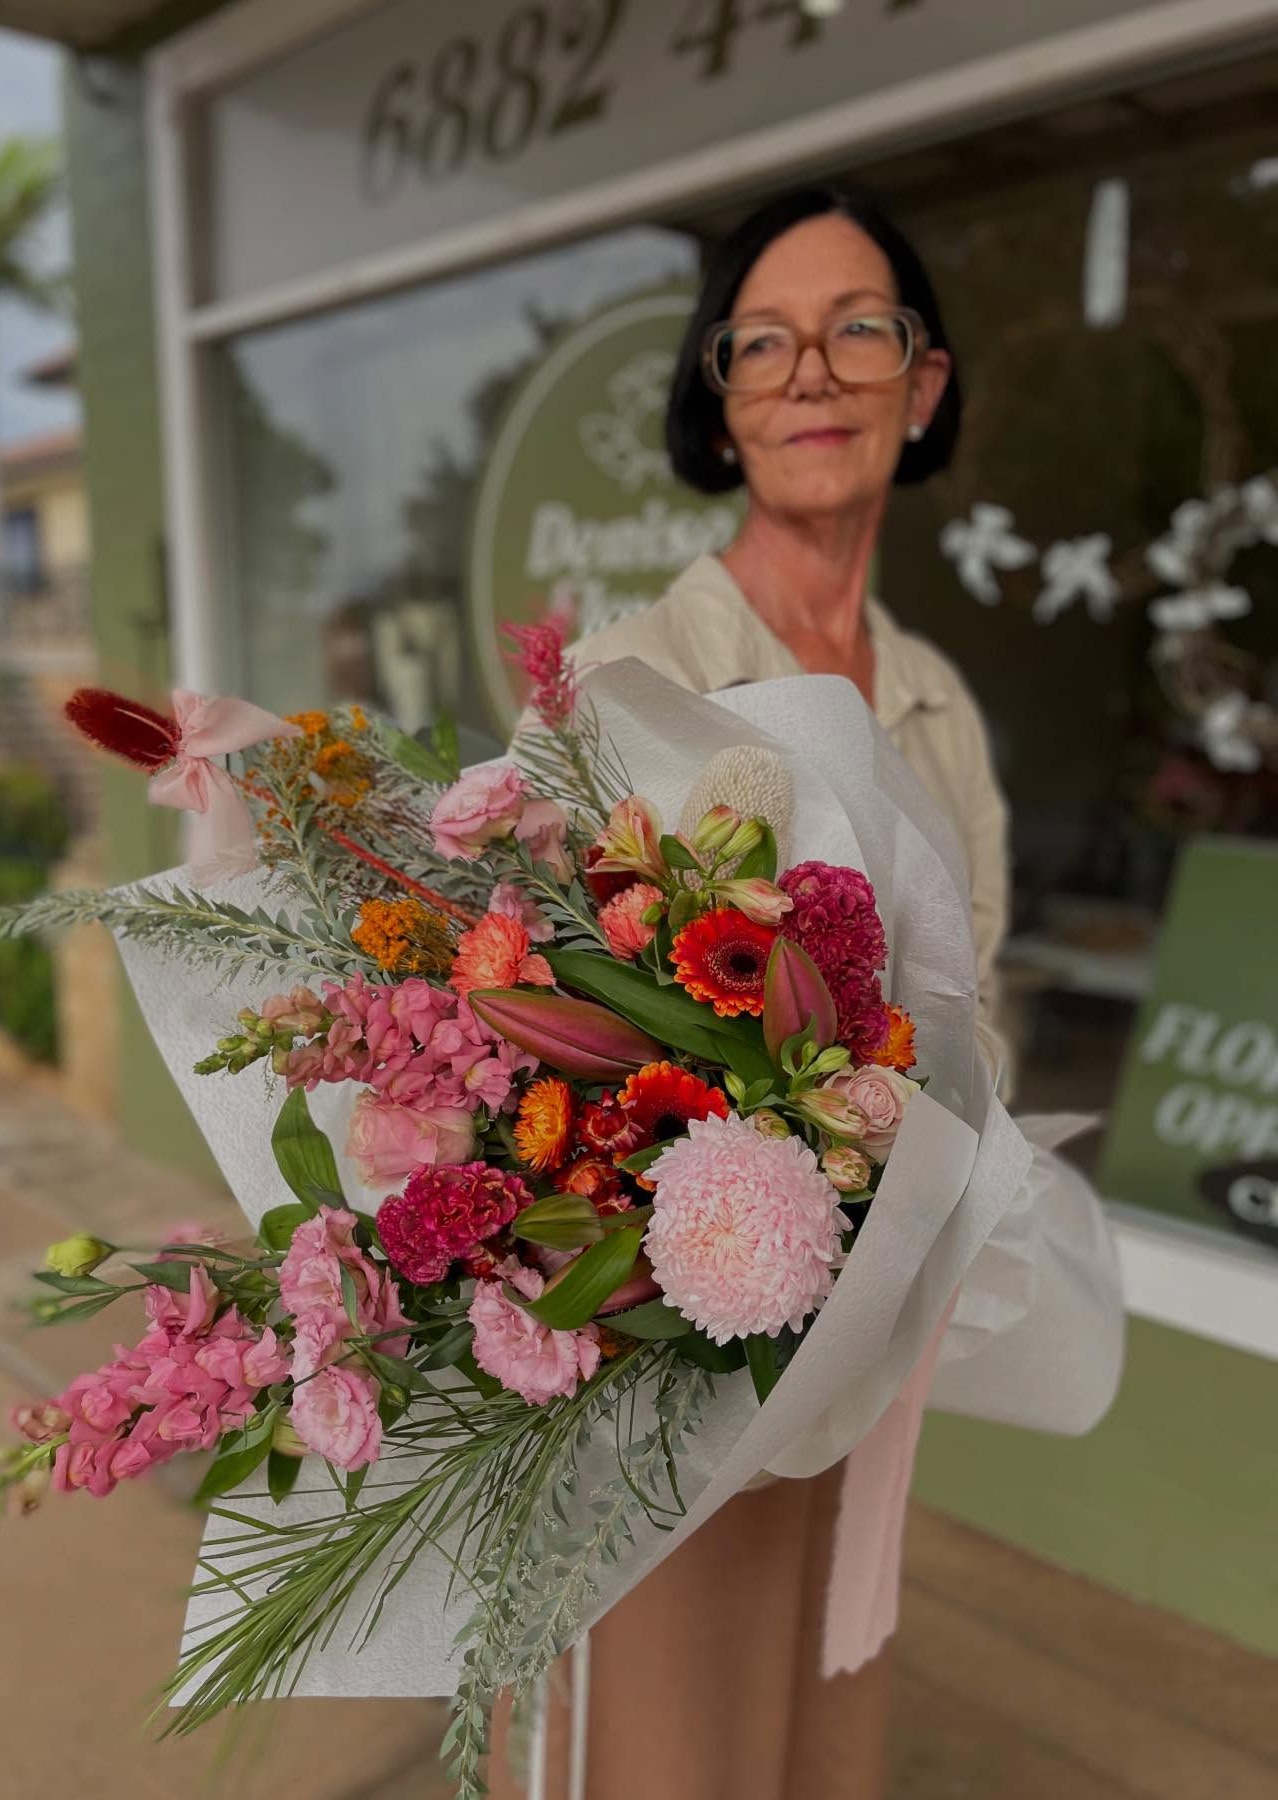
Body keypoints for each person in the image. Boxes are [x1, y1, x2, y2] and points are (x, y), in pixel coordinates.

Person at [488, 185, 1012, 1799]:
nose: (813, 371)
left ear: (920, 387)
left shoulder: (939, 708)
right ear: (719, 401)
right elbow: (515, 1048)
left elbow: (965, 1029)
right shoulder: (641, 682)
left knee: (818, 1737)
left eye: (861, 328)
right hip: (671, 1379)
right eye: (764, 341)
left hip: (859, 1359)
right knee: (676, 1752)